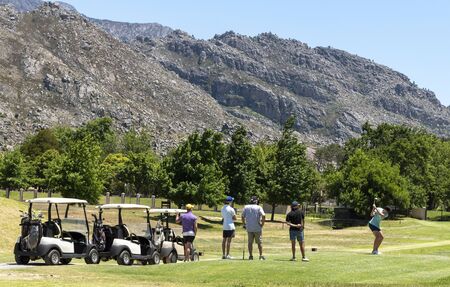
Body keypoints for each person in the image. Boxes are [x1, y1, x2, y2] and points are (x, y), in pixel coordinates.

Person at [241, 196, 266, 260]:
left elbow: (242, 216)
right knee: (259, 242)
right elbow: (263, 215)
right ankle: (260, 255)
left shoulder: (246, 207)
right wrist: (262, 224)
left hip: (249, 227)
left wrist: (244, 224)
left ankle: (250, 256)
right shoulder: (259, 207)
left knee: (250, 242)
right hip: (257, 227)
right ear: (256, 201)